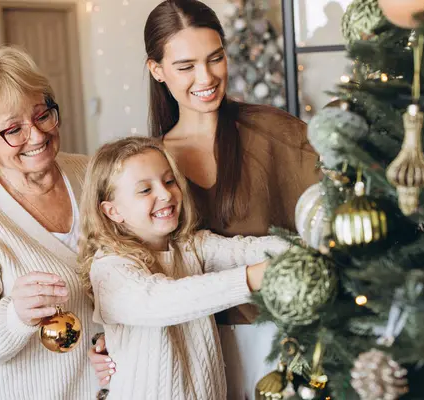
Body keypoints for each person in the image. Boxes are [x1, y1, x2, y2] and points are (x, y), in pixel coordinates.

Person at [143, 0, 321, 397]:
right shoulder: (149, 163)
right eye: (185, 66)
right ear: (157, 70)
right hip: (190, 350)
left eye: (215, 58)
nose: (205, 77)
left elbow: (335, 212)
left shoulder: (274, 131)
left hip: (283, 339)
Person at [0, 46, 113, 400]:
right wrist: (15, 316)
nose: (37, 135)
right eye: (14, 129)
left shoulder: (91, 174)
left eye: (42, 115)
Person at [78, 136, 288, 399]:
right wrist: (250, 279)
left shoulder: (190, 246)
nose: (165, 194)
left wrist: (312, 246)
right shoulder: (110, 269)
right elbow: (163, 300)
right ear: (112, 211)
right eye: (145, 190)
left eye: (168, 181)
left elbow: (244, 250)